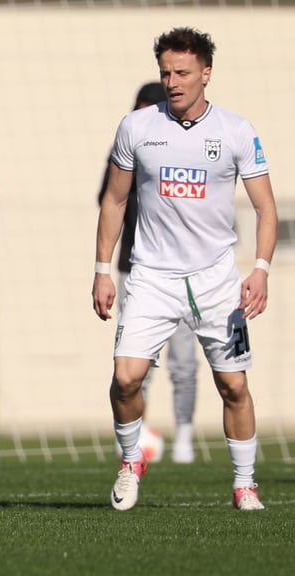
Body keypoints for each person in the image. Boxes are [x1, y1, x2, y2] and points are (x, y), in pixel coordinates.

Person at [92, 27, 277, 511]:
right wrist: (101, 269)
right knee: (127, 378)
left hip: (217, 281)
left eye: (182, 73)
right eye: (165, 73)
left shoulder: (236, 131)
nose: (172, 82)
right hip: (152, 276)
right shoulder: (136, 127)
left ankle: (244, 484)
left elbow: (266, 209)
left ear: (206, 74)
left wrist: (259, 269)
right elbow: (113, 200)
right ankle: (132, 462)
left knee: (233, 385)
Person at [98, 82, 199, 465]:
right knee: (136, 362)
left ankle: (185, 436)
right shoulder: (128, 142)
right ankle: (134, 435)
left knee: (185, 360)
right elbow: (109, 199)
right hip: (136, 269)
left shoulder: (186, 144)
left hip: (190, 273)